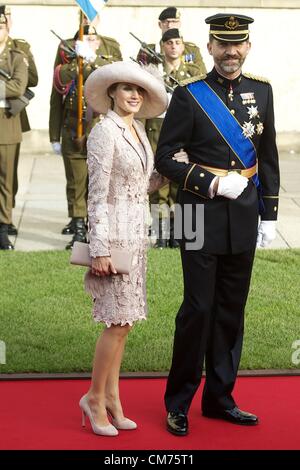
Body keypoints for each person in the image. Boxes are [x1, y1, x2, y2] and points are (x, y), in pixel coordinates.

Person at [155, 13, 280, 435]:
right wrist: (209, 183)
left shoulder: (262, 92)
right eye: (222, 44)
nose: (230, 52)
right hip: (196, 211)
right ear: (209, 47)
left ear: (247, 47)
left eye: (238, 44)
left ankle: (220, 398)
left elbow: (269, 156)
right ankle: (179, 402)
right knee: (198, 309)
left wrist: (270, 213)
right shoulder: (190, 95)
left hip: (243, 212)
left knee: (231, 309)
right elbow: (166, 157)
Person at [79, 61, 187, 436]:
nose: (134, 96)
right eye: (127, 88)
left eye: (140, 91)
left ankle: (112, 400)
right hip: (112, 238)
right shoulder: (103, 133)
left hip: (136, 236)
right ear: (111, 91)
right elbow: (96, 196)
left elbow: (140, 184)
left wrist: (173, 169)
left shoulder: (138, 129)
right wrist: (100, 248)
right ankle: (94, 399)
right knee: (117, 322)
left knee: (124, 325)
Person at [49, 21, 122, 249]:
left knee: (99, 182)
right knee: (75, 181)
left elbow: (115, 74)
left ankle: (96, 228)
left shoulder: (105, 62)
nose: (88, 42)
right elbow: (56, 96)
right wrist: (54, 135)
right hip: (73, 127)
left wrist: (91, 58)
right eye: (83, 40)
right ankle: (78, 226)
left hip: (100, 128)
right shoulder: (69, 64)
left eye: (92, 39)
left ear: (98, 43)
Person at [145, 28, 204, 248]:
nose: (173, 46)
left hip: (184, 133)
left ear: (182, 46)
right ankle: (161, 230)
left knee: (182, 183)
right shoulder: (153, 72)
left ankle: (180, 231)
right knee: (159, 185)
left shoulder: (194, 72)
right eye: (168, 43)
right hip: (157, 130)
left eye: (177, 42)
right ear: (162, 46)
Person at [0, 4, 38, 236]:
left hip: (7, 118)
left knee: (7, 176)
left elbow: (26, 81)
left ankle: (5, 220)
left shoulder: (18, 51)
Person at [0, 10, 28, 250]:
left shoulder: (16, 56)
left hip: (6, 123)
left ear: (7, 28)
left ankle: (3, 226)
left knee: (5, 180)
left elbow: (19, 86)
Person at [137, 6, 206, 73]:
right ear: (159, 24)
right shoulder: (148, 50)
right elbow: (139, 76)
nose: (169, 25)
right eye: (166, 22)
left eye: (173, 21)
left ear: (179, 24)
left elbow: (202, 74)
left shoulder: (191, 50)